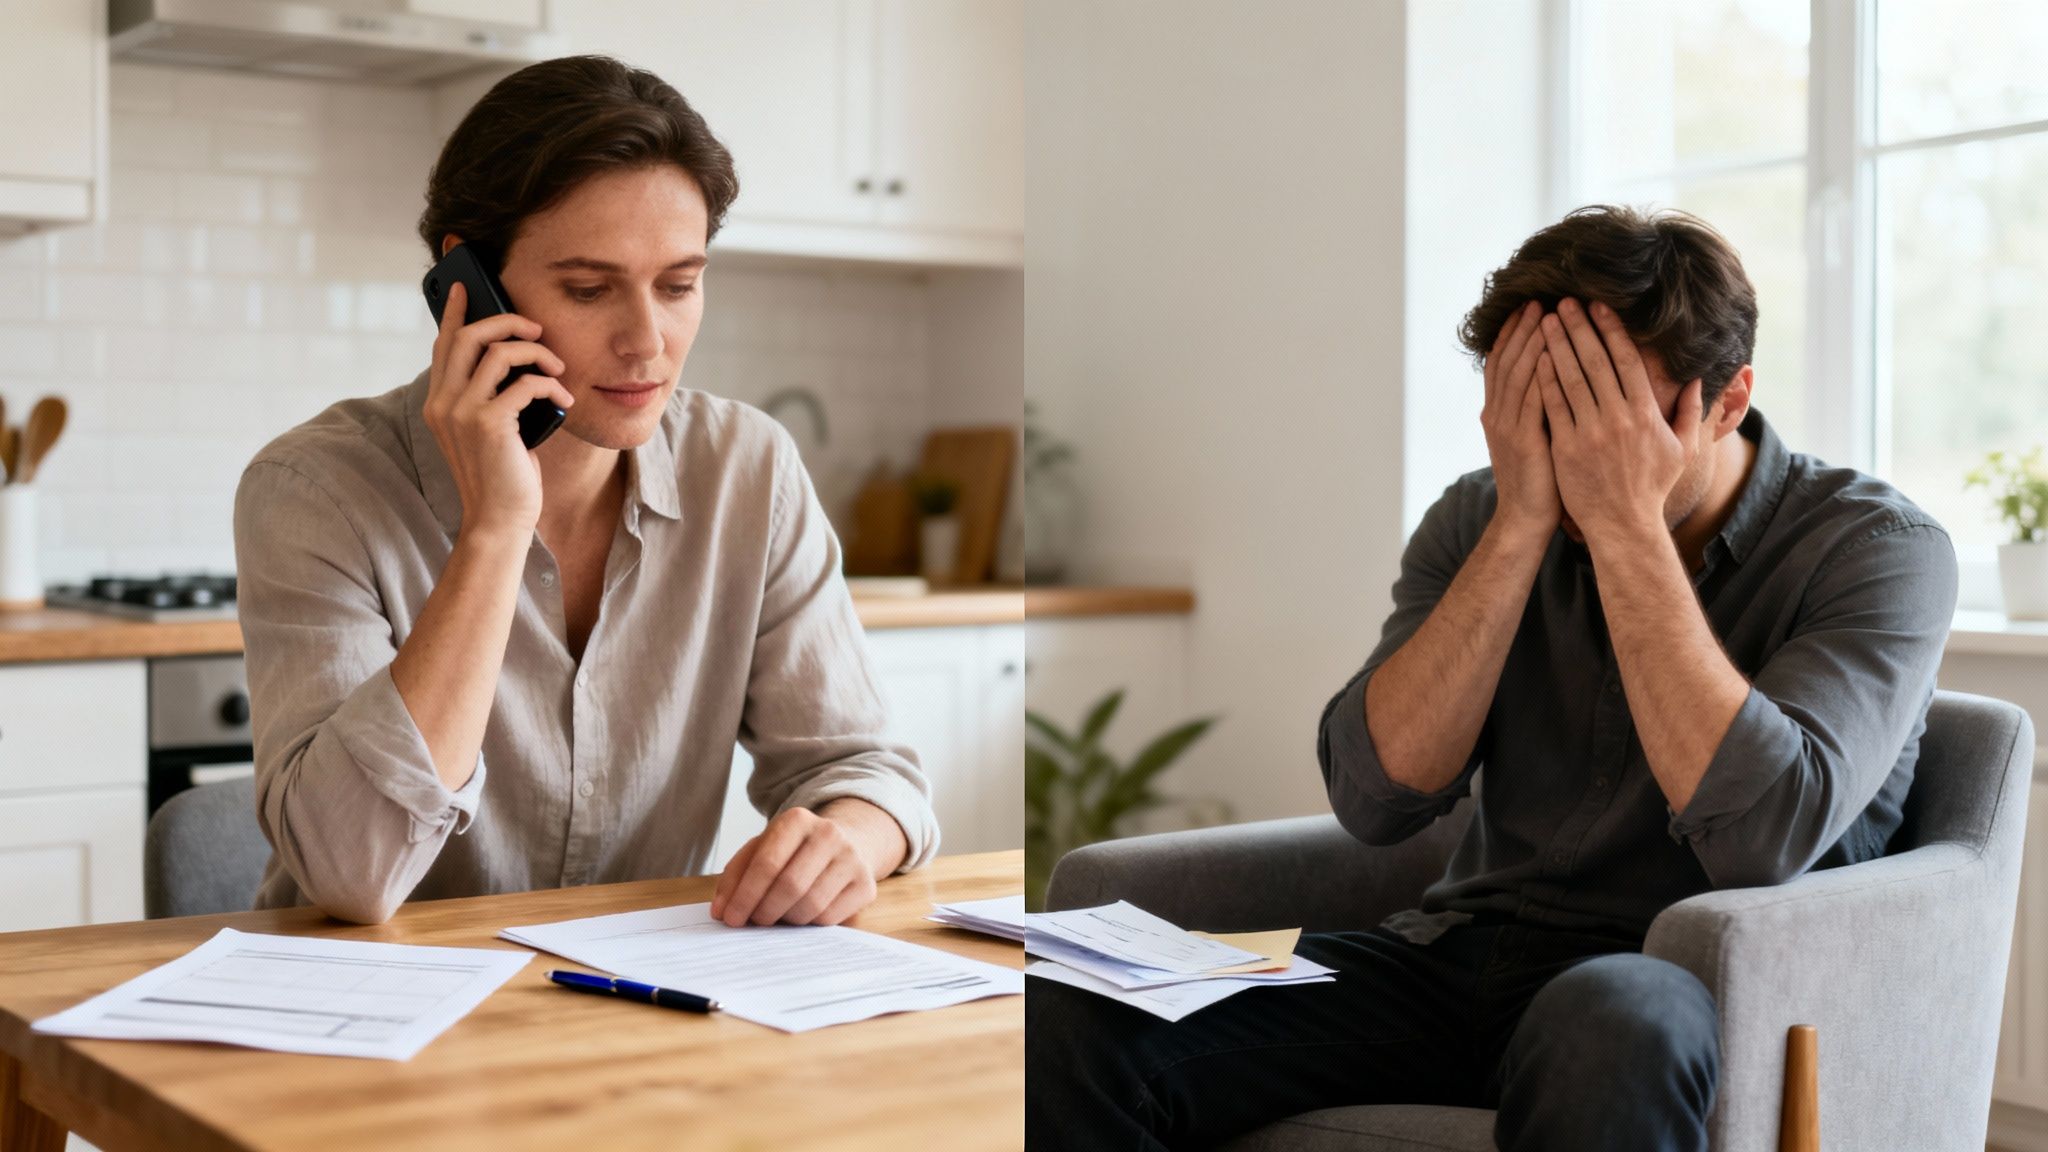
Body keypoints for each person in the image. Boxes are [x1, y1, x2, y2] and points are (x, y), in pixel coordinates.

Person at [1026, 205, 1958, 1151]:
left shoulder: (1878, 550)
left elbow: (1761, 836)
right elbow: (1373, 797)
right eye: (1543, 412)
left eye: (1609, 416)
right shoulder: (1483, 515)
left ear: (1725, 401)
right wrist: (1518, 525)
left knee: (1611, 1021)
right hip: (1453, 963)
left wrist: (1627, 528)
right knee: (1073, 1011)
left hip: (1668, 976)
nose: (1571, 451)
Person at [233, 55, 935, 927]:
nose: (649, 342)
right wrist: (495, 528)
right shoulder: (315, 490)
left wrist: (848, 843)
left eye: (679, 285)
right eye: (589, 289)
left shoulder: (748, 468)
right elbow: (353, 874)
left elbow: (867, 772)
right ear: (467, 287)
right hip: (368, 1017)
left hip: (636, 1013)